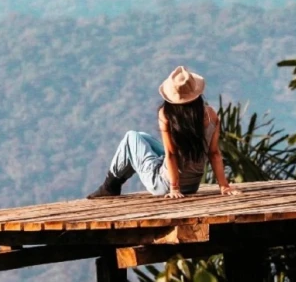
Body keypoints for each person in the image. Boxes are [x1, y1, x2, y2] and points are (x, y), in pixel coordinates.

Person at [87, 66, 241, 199]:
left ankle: (110, 185)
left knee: (131, 137)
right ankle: (111, 185)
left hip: (163, 185)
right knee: (142, 137)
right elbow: (214, 153)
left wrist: (174, 188)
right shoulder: (211, 115)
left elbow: (171, 154)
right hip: (192, 185)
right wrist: (224, 186)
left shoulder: (166, 115)